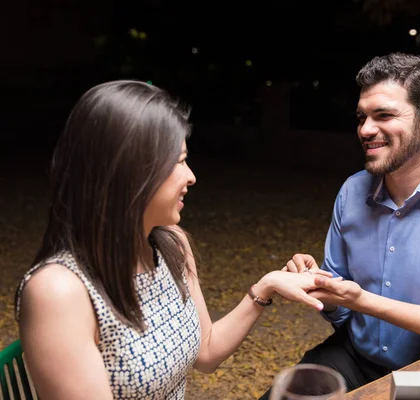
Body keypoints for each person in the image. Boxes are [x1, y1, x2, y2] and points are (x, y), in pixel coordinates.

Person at [14, 80, 331, 400]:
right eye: (179, 161)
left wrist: (267, 286)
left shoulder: (171, 246)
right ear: (128, 171)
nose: (191, 176)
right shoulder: (59, 292)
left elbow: (206, 353)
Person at [260, 52, 420, 397]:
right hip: (353, 356)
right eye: (362, 117)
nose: (366, 130)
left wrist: (362, 300)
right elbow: (340, 309)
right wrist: (321, 286)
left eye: (383, 115)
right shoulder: (353, 190)